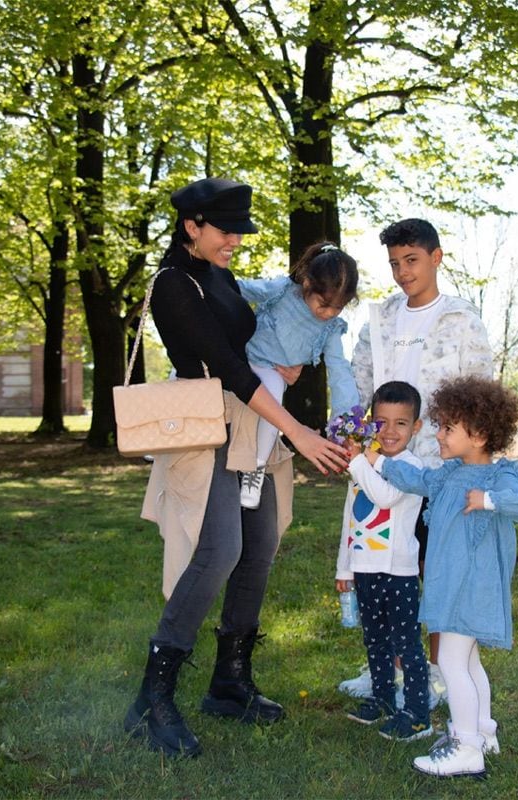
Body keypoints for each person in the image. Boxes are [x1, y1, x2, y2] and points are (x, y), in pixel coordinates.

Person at [123, 177, 349, 758]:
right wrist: (298, 428)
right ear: (191, 226)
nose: (236, 243)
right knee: (219, 550)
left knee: (260, 547)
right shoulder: (174, 283)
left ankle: (229, 682)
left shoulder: (221, 277)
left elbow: (257, 342)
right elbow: (224, 366)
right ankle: (153, 697)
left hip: (255, 424)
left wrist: (291, 366)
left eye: (238, 233)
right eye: (226, 231)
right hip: (211, 427)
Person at [362, 376, 518, 778]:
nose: (439, 435)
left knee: (449, 660)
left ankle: (465, 748)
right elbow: (416, 479)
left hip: (471, 588)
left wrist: (490, 500)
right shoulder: (447, 475)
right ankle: (483, 731)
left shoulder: (499, 477)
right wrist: (376, 460)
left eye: (448, 428)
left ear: (478, 434)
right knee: (469, 661)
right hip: (452, 586)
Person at [341, 218, 493, 707]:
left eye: (411, 260)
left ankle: (432, 676)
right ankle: (386, 669)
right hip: (383, 469)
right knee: (381, 573)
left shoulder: (461, 319)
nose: (403, 273)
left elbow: (481, 393)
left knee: (433, 574)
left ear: (436, 257)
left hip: (439, 472)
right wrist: (349, 438)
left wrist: (475, 464)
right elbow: (358, 385)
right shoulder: (380, 319)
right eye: (394, 264)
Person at [335, 381, 433, 742]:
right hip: (365, 570)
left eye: (401, 423)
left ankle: (419, 713)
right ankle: (383, 698)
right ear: (371, 423)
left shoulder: (410, 466)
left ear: (416, 427)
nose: (389, 432)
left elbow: (385, 496)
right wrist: (344, 568)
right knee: (374, 640)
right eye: (381, 422)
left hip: (399, 572)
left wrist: (359, 459)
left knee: (406, 643)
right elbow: (352, 516)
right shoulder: (364, 464)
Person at [237, 241, 361, 509]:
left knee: (273, 411)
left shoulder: (331, 330)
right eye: (324, 304)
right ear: (307, 284)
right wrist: (212, 283)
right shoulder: (282, 292)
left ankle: (255, 469)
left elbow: (340, 371)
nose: (328, 313)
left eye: (338, 308)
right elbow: (244, 289)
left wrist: (345, 419)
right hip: (241, 356)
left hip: (271, 371)